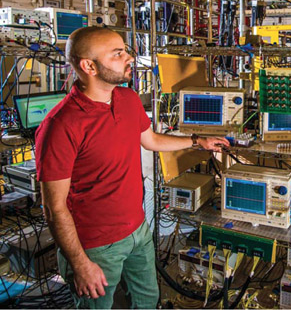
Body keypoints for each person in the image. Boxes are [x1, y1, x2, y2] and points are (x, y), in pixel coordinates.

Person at [35, 27, 230, 309]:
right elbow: (54, 208)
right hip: (95, 246)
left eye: (125, 50)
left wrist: (198, 141)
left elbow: (149, 140)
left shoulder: (126, 98)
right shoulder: (61, 126)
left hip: (137, 230)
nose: (129, 57)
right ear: (89, 66)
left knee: (147, 301)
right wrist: (80, 264)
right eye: (118, 54)